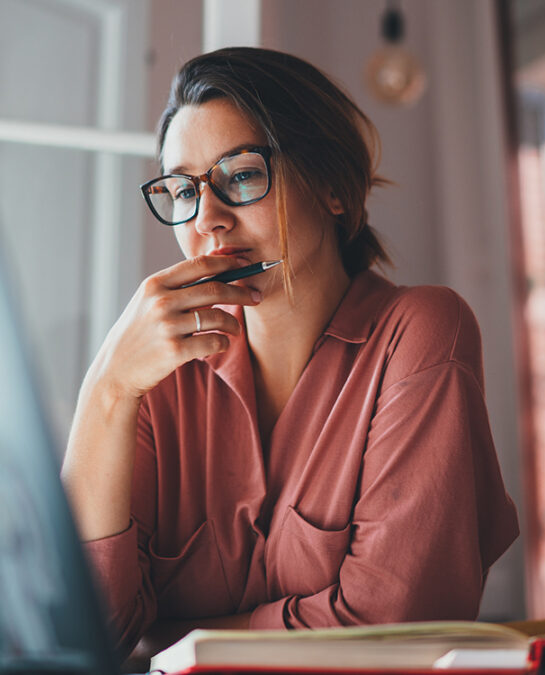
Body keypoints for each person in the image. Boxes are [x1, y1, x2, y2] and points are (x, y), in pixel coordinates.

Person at [60, 47, 519, 663]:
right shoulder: (154, 378)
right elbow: (84, 635)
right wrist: (107, 389)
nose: (209, 222)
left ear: (332, 186)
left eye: (242, 174)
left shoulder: (420, 332)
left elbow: (392, 626)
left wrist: (169, 642)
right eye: (183, 190)